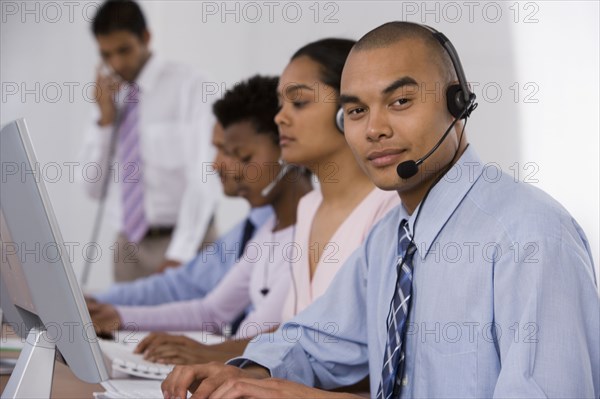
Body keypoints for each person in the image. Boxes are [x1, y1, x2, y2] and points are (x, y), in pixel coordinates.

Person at [161, 22, 600, 399]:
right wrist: (246, 375)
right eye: (355, 110)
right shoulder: (391, 237)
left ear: (458, 104)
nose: (374, 129)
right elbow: (317, 342)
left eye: (400, 101)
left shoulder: (531, 239)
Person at [135, 38, 399, 367]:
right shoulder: (310, 208)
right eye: (280, 104)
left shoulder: (389, 214)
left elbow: (365, 356)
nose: (280, 119)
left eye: (298, 103)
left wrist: (227, 359)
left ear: (351, 111)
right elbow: (295, 333)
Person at [92, 76, 314, 341]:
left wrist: (208, 356)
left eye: (239, 155)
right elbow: (211, 311)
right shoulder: (266, 229)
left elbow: (264, 340)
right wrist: (117, 315)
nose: (219, 165)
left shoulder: (313, 232)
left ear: (287, 147)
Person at [80, 0, 219, 281]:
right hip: (128, 249)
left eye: (124, 50)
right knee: (123, 325)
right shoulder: (108, 97)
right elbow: (93, 189)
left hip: (186, 242)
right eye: (106, 55)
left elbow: (205, 176)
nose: (116, 64)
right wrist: (105, 122)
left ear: (145, 37)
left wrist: (179, 254)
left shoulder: (192, 86)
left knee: (188, 325)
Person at [87, 121, 272, 332]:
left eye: (235, 152)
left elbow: (265, 337)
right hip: (133, 241)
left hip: (181, 238)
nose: (215, 164)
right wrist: (102, 305)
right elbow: (189, 293)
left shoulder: (291, 235)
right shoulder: (250, 231)